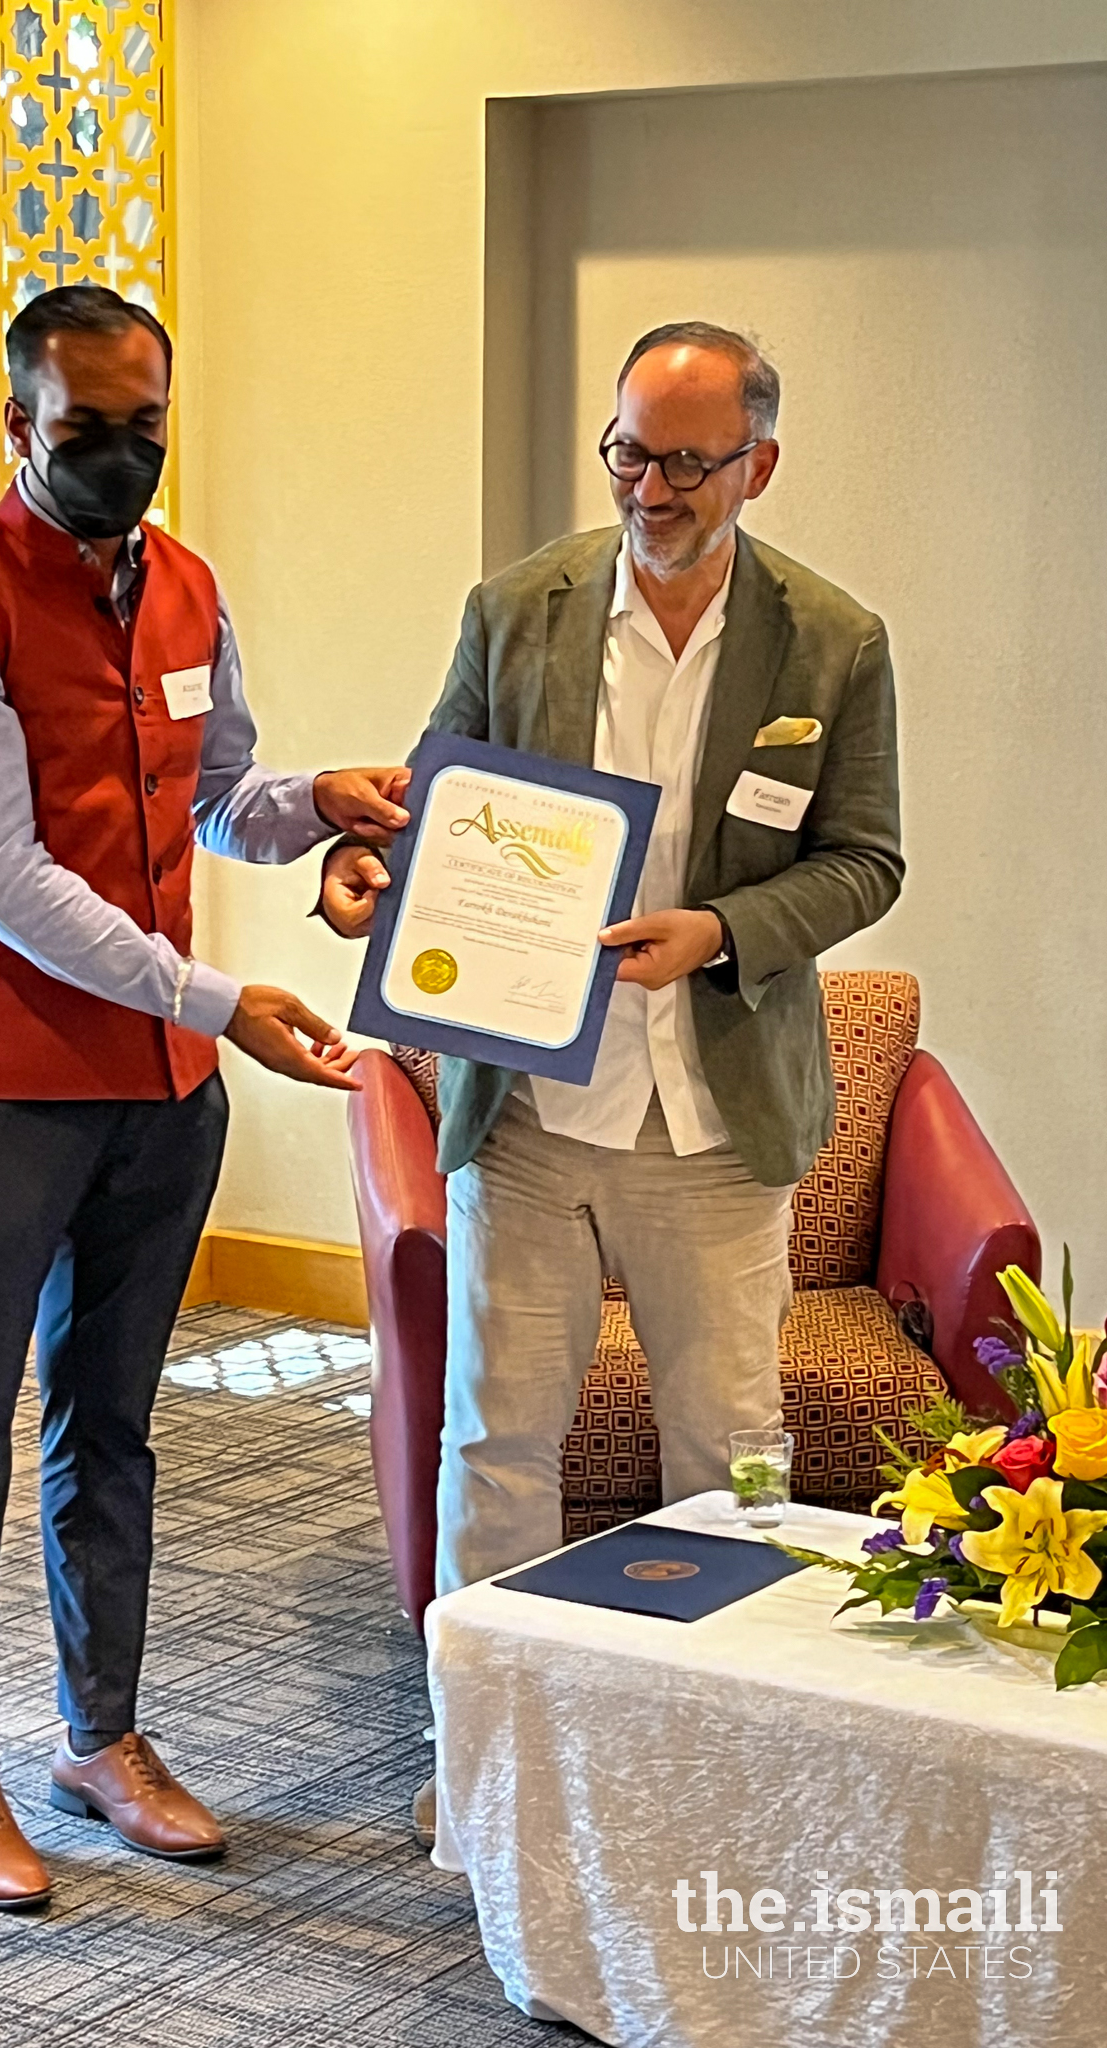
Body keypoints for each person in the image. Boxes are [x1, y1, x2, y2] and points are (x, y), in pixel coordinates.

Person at [320, 321, 903, 1836]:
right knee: (497, 1446)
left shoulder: (832, 640)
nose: (651, 486)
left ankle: (716, 1774)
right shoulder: (521, 607)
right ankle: (496, 1783)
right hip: (525, 1110)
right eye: (628, 451)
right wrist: (372, 874)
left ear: (756, 465)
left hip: (713, 1119)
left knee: (729, 1453)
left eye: (688, 460)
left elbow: (867, 861)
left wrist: (721, 930)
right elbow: (429, 800)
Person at [0, 284, 408, 1910]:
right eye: (86, 431)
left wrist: (318, 803)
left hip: (158, 1091)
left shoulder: (186, 586)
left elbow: (218, 804)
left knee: (112, 1424)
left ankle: (98, 1737)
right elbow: (11, 879)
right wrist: (222, 999)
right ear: (20, 423)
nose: (121, 459)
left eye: (145, 430)